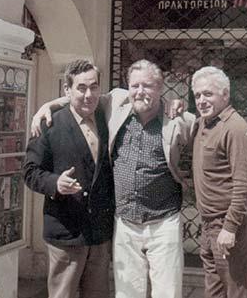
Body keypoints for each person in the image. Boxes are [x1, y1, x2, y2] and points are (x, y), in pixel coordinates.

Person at [31, 59, 195, 298]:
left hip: (164, 221)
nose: (140, 91)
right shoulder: (117, 103)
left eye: (147, 86)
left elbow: (207, 143)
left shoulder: (180, 120)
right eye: (135, 85)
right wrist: (47, 105)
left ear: (160, 88)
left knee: (167, 291)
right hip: (125, 222)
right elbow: (83, 96)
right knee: (127, 292)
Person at [24, 59, 114, 298]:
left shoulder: (107, 118)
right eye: (81, 88)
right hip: (66, 232)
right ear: (67, 90)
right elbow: (30, 172)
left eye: (94, 87)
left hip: (99, 234)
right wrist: (55, 183)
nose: (88, 94)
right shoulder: (49, 124)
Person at [191, 66, 247, 298]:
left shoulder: (236, 129)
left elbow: (244, 186)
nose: (201, 100)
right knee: (215, 292)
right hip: (209, 226)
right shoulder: (204, 123)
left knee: (238, 292)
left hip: (231, 228)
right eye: (197, 95)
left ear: (225, 94)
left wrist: (230, 228)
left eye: (208, 94)